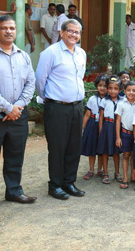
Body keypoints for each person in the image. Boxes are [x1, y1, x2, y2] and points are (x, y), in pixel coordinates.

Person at [0, 15, 36, 216]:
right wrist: (7, 108)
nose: (9, 31)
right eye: (4, 28)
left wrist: (17, 107)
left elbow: (31, 83)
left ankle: (14, 191)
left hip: (18, 114)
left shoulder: (23, 56)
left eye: (12, 28)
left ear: (16, 31)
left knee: (15, 155)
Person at [35, 19, 86, 200]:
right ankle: (55, 185)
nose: (74, 35)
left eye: (77, 32)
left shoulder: (81, 53)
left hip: (77, 107)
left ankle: (69, 182)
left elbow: (80, 77)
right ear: (62, 32)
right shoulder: (50, 53)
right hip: (57, 107)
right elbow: (40, 80)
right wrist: (50, 98)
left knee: (74, 146)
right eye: (70, 31)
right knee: (57, 147)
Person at [96, 75, 123, 184]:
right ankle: (105, 172)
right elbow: (101, 117)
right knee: (105, 151)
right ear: (107, 88)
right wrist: (100, 131)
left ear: (120, 90)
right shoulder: (104, 101)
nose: (112, 91)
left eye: (115, 88)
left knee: (116, 152)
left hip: (117, 127)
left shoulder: (122, 101)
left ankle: (117, 173)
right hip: (107, 127)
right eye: (110, 88)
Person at [81, 74, 108, 180]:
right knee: (91, 149)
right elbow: (87, 114)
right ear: (97, 86)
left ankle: (100, 169)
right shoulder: (92, 99)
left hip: (104, 125)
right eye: (100, 85)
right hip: (92, 125)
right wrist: (82, 128)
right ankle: (91, 170)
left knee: (101, 148)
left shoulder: (109, 99)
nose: (102, 88)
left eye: (105, 86)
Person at [115, 81, 135, 189]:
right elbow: (118, 121)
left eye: (134, 90)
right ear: (124, 91)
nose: (131, 93)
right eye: (128, 90)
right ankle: (125, 177)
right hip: (125, 133)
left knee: (134, 155)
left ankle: (133, 176)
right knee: (126, 155)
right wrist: (118, 137)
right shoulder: (121, 104)